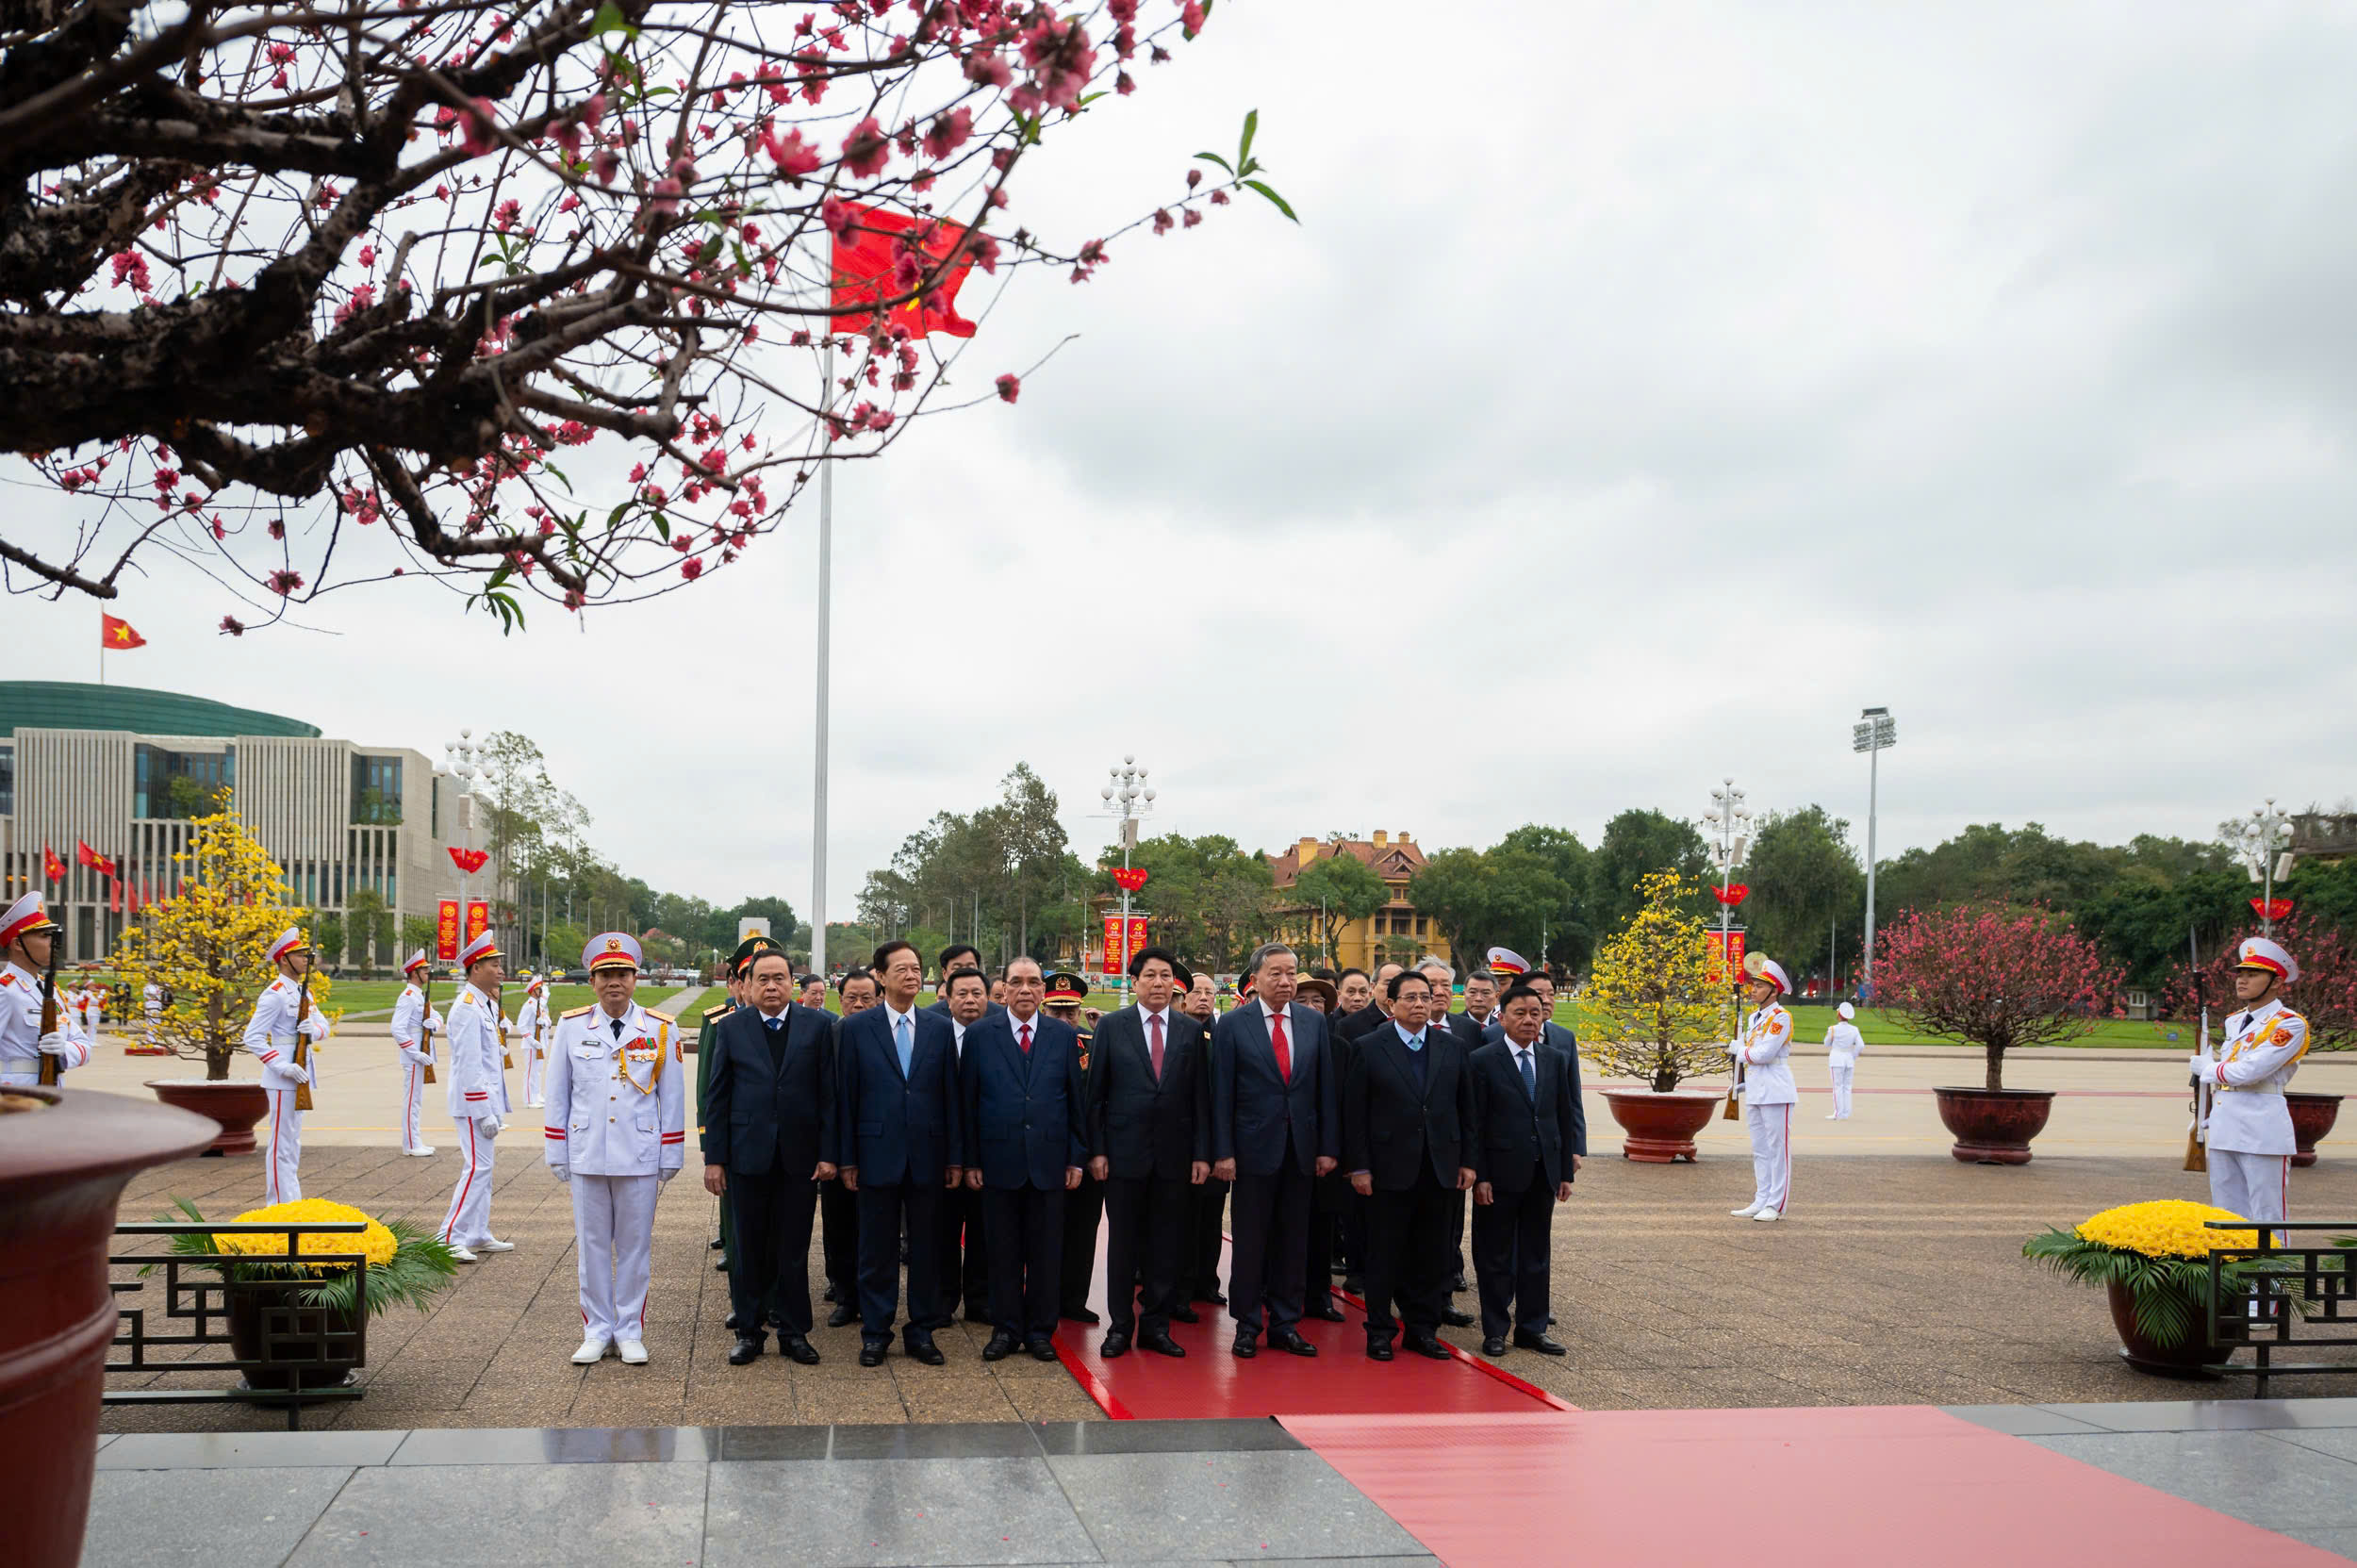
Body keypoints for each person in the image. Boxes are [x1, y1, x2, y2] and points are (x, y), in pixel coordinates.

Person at [546, 933, 685, 1365]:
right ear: (592, 981)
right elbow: (558, 1092)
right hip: (587, 1151)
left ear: (635, 979)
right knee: (591, 1248)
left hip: (639, 1154)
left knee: (634, 1249)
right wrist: (556, 1149)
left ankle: (628, 1331)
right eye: (605, 974)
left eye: (622, 974)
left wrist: (671, 1153)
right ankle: (596, 1330)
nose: (614, 982)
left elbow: (673, 1096)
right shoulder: (572, 1026)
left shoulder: (660, 1028)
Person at [702, 946, 834, 1365]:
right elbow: (717, 1098)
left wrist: (828, 1153)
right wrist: (714, 1159)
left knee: (794, 1249)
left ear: (792, 984)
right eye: (763, 979)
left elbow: (829, 1096)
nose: (772, 986)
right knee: (748, 1249)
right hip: (746, 1157)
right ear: (747, 985)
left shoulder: (817, 1026)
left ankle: (794, 1333)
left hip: (800, 1157)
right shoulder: (731, 1027)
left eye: (780, 978)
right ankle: (749, 1332)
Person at [1211, 942, 1339, 1359]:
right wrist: (1224, 1152)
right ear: (1256, 979)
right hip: (1251, 1152)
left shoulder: (1313, 1022)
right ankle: (1247, 1325)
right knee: (1250, 1243)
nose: (1285, 981)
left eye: (1291, 973)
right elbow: (1221, 1093)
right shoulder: (1234, 1024)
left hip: (1301, 1150)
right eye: (1276, 973)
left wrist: (1326, 1147)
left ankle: (1285, 1323)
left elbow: (1324, 1088)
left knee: (1293, 1242)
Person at [837, 941, 963, 1366]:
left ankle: (921, 1331)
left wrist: (955, 1157)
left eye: (916, 968)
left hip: (929, 1155)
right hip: (875, 1154)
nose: (912, 975)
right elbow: (846, 1098)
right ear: (881, 976)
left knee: (927, 1249)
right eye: (902, 969)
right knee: (877, 1250)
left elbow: (951, 1097)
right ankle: (876, 1332)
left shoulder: (939, 1028)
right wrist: (847, 1158)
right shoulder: (857, 1029)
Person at [959, 957, 1086, 1362]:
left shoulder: (1063, 1035)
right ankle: (1006, 1329)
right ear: (1004, 989)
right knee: (1002, 1252)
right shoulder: (980, 1035)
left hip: (1050, 1162)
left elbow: (1075, 1101)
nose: (1026, 989)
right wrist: (971, 1161)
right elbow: (968, 1103)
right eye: (1017, 982)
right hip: (998, 1162)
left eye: (1034, 982)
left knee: (1046, 1253)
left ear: (1043, 991)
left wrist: (1076, 1158)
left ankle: (1040, 1332)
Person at [1344, 968, 1475, 1361]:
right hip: (1387, 1169)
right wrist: (1359, 1167)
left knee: (1432, 1254)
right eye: (1411, 998)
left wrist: (1468, 1162)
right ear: (1391, 1003)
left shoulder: (1452, 1047)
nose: (1420, 1004)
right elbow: (1355, 1114)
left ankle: (1422, 1329)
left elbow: (1467, 1110)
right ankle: (1380, 1331)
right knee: (1384, 1254)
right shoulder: (1369, 1047)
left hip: (1439, 1168)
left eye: (1425, 997)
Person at [1089, 948, 1210, 1358]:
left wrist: (1201, 1154)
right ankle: (1120, 1327)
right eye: (1150, 976)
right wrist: (1098, 1151)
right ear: (1134, 982)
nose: (1159, 983)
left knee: (1166, 1245)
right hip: (1123, 1155)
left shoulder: (1190, 1031)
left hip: (1175, 1158)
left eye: (1166, 976)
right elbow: (1096, 1096)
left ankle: (1156, 1327)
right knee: (1123, 1245)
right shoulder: (1112, 1027)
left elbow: (1201, 1098)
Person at [1469, 982, 1578, 1357]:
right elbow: (1476, 1123)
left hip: (1542, 1172)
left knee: (1536, 1255)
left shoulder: (1553, 1059)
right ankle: (1495, 1329)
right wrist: (1481, 1176)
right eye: (1520, 1013)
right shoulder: (1483, 1060)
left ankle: (1532, 1328)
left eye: (1535, 1013)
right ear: (1502, 1018)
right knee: (1495, 1256)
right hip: (1499, 1174)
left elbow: (1562, 1116)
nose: (1529, 1020)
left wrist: (1564, 1173)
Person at [2199, 937, 2311, 1225]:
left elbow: (2249, 1072)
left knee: (2267, 1214)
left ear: (2276, 982)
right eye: (2240, 974)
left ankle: (2273, 1258)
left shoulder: (2288, 1024)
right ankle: (2235, 1258)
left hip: (2262, 1129)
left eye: (2253, 974)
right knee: (2227, 1213)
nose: (2242, 980)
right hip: (2225, 1124)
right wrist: (2203, 1114)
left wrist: (2208, 1069)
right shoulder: (2234, 1021)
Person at [241, 927, 332, 1207]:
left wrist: (314, 1030)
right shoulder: (275, 994)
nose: (306, 960)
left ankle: (291, 1200)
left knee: (292, 1142)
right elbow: (253, 1037)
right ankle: (279, 1204)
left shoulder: (305, 992)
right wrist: (282, 1066)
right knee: (281, 1143)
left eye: (306, 955)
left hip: (302, 1069)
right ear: (284, 959)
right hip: (283, 1076)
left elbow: (324, 1026)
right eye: (300, 955)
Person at [438, 930, 514, 1263]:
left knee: (485, 1169)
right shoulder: (468, 1008)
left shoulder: (483, 1005)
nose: (500, 970)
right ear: (475, 968)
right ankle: (448, 1236)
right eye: (493, 964)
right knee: (477, 1169)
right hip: (473, 1103)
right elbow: (469, 1064)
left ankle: (477, 1232)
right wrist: (482, 1110)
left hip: (485, 1099)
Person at [933, 966, 996, 1323]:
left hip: (988, 1152)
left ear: (988, 998)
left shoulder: (998, 1037)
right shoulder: (934, 1036)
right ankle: (942, 1300)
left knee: (983, 1230)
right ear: (947, 998)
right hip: (942, 1152)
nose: (970, 1000)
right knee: (942, 1229)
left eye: (977, 993)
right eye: (962, 993)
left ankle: (979, 1299)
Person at [1047, 970, 1105, 1326]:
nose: (1065, 1019)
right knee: (1045, 1231)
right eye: (1057, 1012)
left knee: (1083, 1231)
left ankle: (1074, 1300)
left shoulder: (1094, 1044)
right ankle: (1043, 1297)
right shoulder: (1034, 1043)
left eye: (1071, 1012)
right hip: (1047, 1154)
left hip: (1087, 1155)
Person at [820, 966, 880, 1322]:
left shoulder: (891, 1036)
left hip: (879, 1148)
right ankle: (845, 1295)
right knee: (838, 1225)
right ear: (840, 1001)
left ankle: (874, 1297)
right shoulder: (829, 1035)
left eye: (866, 999)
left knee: (877, 1230)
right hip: (838, 1146)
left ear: (879, 1000)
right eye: (852, 998)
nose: (858, 1005)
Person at [1293, 975, 1352, 1321]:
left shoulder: (1340, 1048)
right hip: (1287, 1150)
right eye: (1303, 1000)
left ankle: (1319, 1296)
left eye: (1318, 1001)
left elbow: (1346, 1105)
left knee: (1322, 1227)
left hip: (1327, 1153)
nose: (1312, 1007)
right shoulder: (1278, 1041)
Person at [1729, 957, 1796, 1222]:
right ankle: (1761, 1198)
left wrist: (1739, 1050)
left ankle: (1776, 1204)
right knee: (1760, 1149)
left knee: (1778, 1150)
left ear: (1774, 991)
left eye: (1759, 986)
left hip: (1776, 1089)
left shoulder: (1781, 1018)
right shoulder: (1754, 1018)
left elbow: (1764, 1054)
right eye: (1753, 985)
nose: (1753, 990)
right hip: (1756, 1089)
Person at [1178, 968, 1228, 1306]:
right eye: (1197, 992)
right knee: (1182, 1217)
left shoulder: (1224, 1035)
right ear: (1183, 999)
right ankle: (1179, 1285)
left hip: (1215, 1140)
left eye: (1210, 992)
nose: (1204, 997)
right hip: (1181, 1142)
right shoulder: (1178, 1033)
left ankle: (1206, 1281)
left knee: (1211, 1217)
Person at [0, 893, 90, 1086]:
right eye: (44, 936)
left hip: (52, 1089)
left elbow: (84, 1046)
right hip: (14, 1094)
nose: (52, 942)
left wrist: (64, 1049)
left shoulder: (52, 991)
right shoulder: (5, 991)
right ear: (18, 944)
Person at [389, 949, 441, 1157]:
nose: (428, 973)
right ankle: (411, 1144)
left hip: (422, 1054)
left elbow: (438, 1017)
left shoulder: (419, 996)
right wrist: (414, 1052)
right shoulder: (408, 997)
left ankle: (415, 1140)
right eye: (424, 970)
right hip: (414, 1057)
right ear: (414, 973)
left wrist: (434, 1023)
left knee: (416, 1101)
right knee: (412, 1101)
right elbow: (397, 1028)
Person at [515, 973, 553, 1108]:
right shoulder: (529, 1005)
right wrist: (532, 1041)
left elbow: (548, 1021)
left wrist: (544, 1022)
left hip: (541, 1042)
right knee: (530, 1072)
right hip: (531, 1044)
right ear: (533, 991)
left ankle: (536, 1095)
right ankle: (529, 1100)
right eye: (538, 989)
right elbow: (521, 1025)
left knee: (538, 1071)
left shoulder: (539, 1005)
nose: (541, 991)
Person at [1336, 962, 1403, 1041]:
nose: (1395, 988)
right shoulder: (1349, 1025)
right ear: (1373, 987)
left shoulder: (1412, 1020)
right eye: (1388, 983)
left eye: (1400, 984)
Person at [1824, 1001, 1865, 1120]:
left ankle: (1838, 1113)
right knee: (1847, 1087)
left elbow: (1826, 1043)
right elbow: (1860, 1045)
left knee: (1837, 1087)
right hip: (1849, 1059)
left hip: (1837, 1058)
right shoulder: (1854, 1029)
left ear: (1839, 1015)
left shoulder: (1833, 1029)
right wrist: (1853, 1056)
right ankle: (1846, 1113)